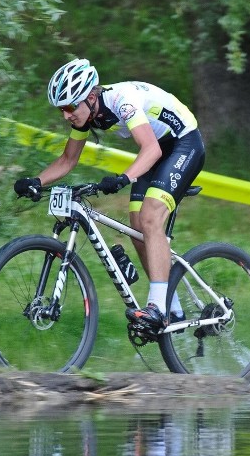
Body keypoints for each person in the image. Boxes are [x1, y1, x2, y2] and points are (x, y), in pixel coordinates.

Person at [14, 57, 206, 332]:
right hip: (159, 148)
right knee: (137, 223)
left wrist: (124, 178)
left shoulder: (122, 101)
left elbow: (151, 149)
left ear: (91, 96)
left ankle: (157, 307)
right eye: (61, 110)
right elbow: (68, 160)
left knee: (151, 217)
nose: (66, 115)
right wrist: (35, 180)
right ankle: (171, 308)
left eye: (69, 107)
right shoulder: (86, 114)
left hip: (183, 143)